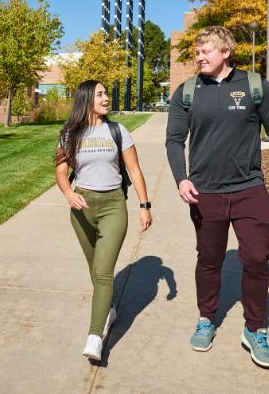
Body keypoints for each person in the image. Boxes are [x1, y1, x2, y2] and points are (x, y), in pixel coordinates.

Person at [166, 26, 269, 369]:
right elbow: (174, 140)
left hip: (249, 189)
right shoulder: (187, 92)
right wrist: (181, 179)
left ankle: (255, 329)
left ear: (225, 52)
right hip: (205, 193)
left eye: (205, 51)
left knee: (255, 259)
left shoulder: (254, 87)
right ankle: (206, 319)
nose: (198, 57)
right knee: (209, 260)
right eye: (196, 52)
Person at [55, 79, 153, 362]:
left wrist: (144, 206)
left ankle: (95, 335)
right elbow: (62, 172)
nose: (106, 98)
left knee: (103, 272)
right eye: (100, 94)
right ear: (87, 99)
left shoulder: (117, 131)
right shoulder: (69, 134)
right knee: (95, 267)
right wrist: (68, 194)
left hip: (112, 206)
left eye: (106, 93)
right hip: (82, 209)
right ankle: (108, 308)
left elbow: (134, 171)